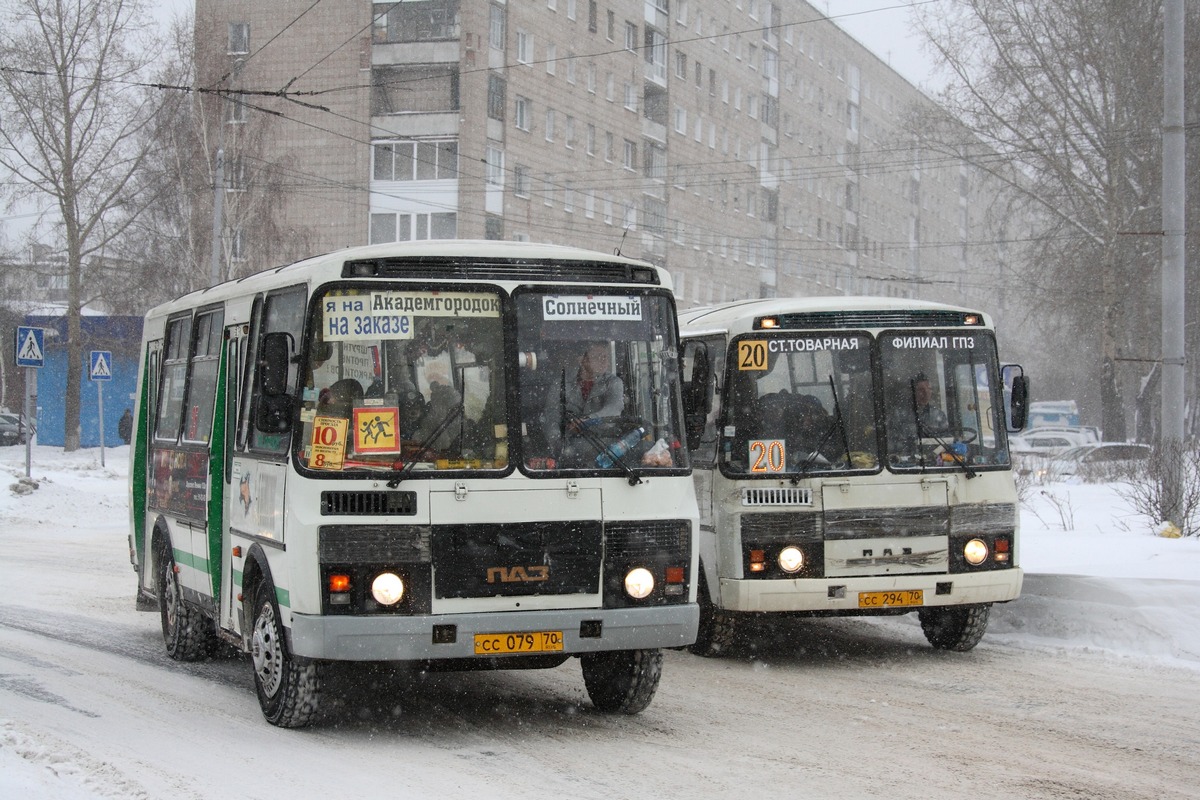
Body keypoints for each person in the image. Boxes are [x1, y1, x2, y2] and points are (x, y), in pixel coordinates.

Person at [542, 342, 625, 454]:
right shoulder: (562, 383)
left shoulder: (613, 382)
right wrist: (557, 443)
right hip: (569, 450)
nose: (603, 360)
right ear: (582, 360)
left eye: (605, 357)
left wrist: (587, 421)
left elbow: (613, 409)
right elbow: (551, 415)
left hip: (605, 450)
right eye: (597, 357)